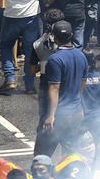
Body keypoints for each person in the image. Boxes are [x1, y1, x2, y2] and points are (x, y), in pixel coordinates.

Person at [36, 20, 88, 158]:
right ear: (71, 35)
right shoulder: (81, 56)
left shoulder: (55, 59)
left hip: (60, 116)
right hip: (76, 112)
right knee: (70, 155)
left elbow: (54, 88)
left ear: (55, 38)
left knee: (42, 156)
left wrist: (50, 116)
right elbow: (83, 82)